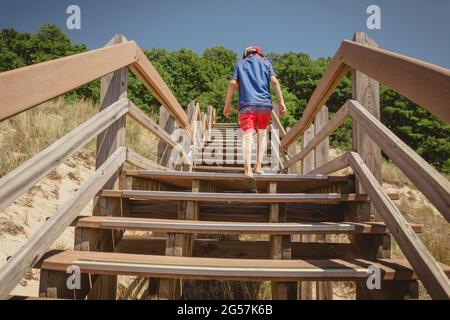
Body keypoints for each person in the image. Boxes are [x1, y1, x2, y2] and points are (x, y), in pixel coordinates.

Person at [223, 46, 286, 188]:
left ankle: (248, 171)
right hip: (265, 105)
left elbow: (232, 83)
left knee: (247, 135)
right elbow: (275, 82)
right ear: (260, 54)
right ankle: (258, 166)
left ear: (246, 54)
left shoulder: (239, 64)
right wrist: (281, 102)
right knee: (262, 135)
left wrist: (227, 104)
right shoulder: (266, 63)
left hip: (247, 105)